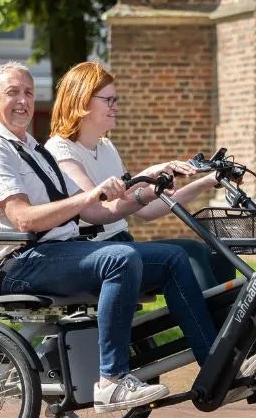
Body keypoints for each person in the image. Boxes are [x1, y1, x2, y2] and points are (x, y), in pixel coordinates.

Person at [0, 61, 256, 413]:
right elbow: (23, 218)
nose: (23, 101)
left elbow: (96, 208)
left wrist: (147, 182)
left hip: (58, 251)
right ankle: (111, 381)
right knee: (119, 257)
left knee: (174, 258)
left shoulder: (31, 148)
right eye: (12, 92)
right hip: (23, 262)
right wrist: (90, 196)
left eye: (28, 92)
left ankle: (216, 367)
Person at [44, 60, 236, 290]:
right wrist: (148, 180)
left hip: (123, 243)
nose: (115, 106)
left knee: (219, 253)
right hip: (96, 251)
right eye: (108, 100)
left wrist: (206, 181)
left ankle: (234, 322)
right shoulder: (60, 150)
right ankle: (216, 324)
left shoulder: (106, 147)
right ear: (81, 101)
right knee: (191, 252)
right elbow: (98, 209)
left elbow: (146, 210)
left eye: (116, 100)